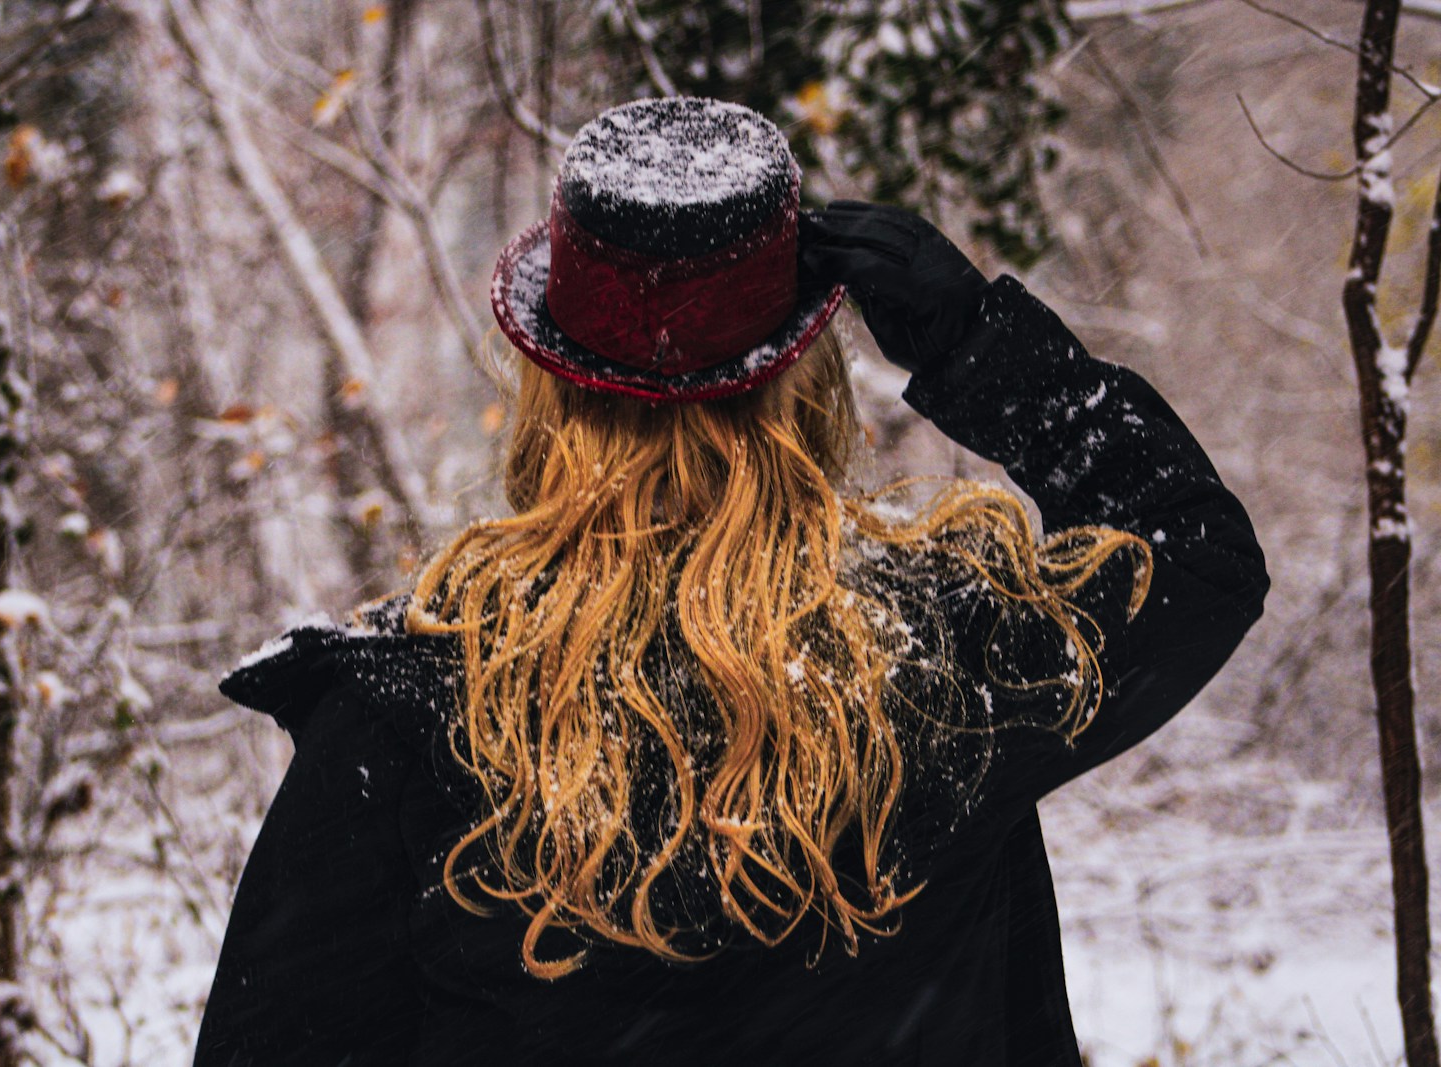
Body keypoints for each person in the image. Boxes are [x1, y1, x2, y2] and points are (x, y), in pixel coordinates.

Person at [194, 97, 1268, 1066]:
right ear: (805, 379)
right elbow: (1193, 554)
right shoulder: (944, 658)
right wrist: (975, 342)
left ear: (547, 389)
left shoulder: (411, 707)